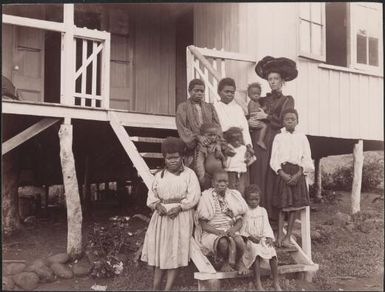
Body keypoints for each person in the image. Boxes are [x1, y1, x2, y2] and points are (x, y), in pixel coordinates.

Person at [141, 137, 201, 290]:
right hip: (161, 219)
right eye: (169, 158)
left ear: (182, 157)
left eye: (176, 157)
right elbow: (151, 197)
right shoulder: (159, 176)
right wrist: (156, 205)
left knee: (174, 250)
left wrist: (180, 207)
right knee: (161, 250)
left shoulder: (189, 174)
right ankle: (156, 286)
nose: (173, 161)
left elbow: (194, 196)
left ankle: (167, 288)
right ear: (164, 159)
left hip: (180, 217)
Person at [249, 56, 297, 221]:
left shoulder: (287, 100)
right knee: (257, 171)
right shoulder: (262, 99)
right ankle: (256, 211)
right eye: (270, 79)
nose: (273, 82)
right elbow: (252, 111)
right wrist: (250, 119)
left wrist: (266, 116)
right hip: (259, 138)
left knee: (272, 172)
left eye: (276, 79)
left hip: (275, 139)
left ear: (282, 80)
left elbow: (284, 121)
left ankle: (272, 215)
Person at [270, 109, 314, 248]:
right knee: (283, 207)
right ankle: (279, 237)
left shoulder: (302, 137)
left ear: (297, 121)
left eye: (293, 119)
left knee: (295, 207)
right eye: (287, 119)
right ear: (283, 122)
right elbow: (273, 159)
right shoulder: (278, 137)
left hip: (297, 173)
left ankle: (288, 237)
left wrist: (299, 174)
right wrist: (281, 173)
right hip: (283, 173)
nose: (290, 121)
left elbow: (306, 157)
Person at [195, 170, 249, 274]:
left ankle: (238, 262)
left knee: (239, 241)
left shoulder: (233, 196)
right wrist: (217, 232)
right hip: (212, 232)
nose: (222, 184)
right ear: (213, 182)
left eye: (225, 181)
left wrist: (233, 230)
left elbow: (239, 220)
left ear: (228, 182)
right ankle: (225, 262)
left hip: (230, 229)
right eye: (219, 181)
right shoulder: (206, 197)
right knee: (223, 242)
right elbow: (203, 224)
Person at [240, 184, 281, 291]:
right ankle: (257, 282)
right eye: (251, 199)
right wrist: (250, 237)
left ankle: (276, 282)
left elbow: (267, 226)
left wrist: (269, 237)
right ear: (246, 199)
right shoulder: (245, 211)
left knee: (272, 251)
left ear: (260, 199)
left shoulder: (263, 211)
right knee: (256, 251)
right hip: (250, 240)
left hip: (262, 238)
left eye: (256, 199)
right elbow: (242, 229)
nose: (254, 202)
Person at [176, 79, 222, 167]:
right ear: (189, 91)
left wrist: (214, 139)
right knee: (195, 169)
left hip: (209, 143)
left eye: (202, 91)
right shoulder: (183, 107)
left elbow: (217, 125)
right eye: (196, 90)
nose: (199, 93)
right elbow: (182, 127)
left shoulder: (209, 107)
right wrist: (198, 137)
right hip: (192, 144)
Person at [213, 78, 254, 158]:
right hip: (224, 143)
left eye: (232, 92)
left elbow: (245, 129)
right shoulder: (214, 107)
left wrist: (248, 146)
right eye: (226, 91)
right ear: (219, 92)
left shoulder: (238, 108)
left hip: (240, 143)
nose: (229, 94)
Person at [223, 127, 256, 196]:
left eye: (239, 139)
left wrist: (247, 160)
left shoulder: (243, 148)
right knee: (230, 190)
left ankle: (241, 203)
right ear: (229, 140)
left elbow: (250, 159)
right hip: (230, 172)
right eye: (234, 140)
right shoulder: (228, 148)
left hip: (241, 173)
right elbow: (224, 160)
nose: (237, 142)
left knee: (241, 190)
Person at [194, 122, 227, 191]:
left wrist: (223, 161)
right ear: (203, 136)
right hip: (208, 175)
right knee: (208, 191)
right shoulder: (202, 147)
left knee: (220, 190)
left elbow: (223, 156)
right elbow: (200, 162)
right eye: (210, 135)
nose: (213, 137)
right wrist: (202, 176)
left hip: (219, 175)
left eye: (214, 135)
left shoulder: (219, 145)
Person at [247, 82, 268, 150]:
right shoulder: (251, 103)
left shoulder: (256, 102)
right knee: (264, 126)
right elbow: (253, 112)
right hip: (254, 120)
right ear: (249, 95)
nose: (256, 95)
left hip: (256, 119)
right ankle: (260, 141)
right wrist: (263, 109)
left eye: (258, 94)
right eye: (254, 94)